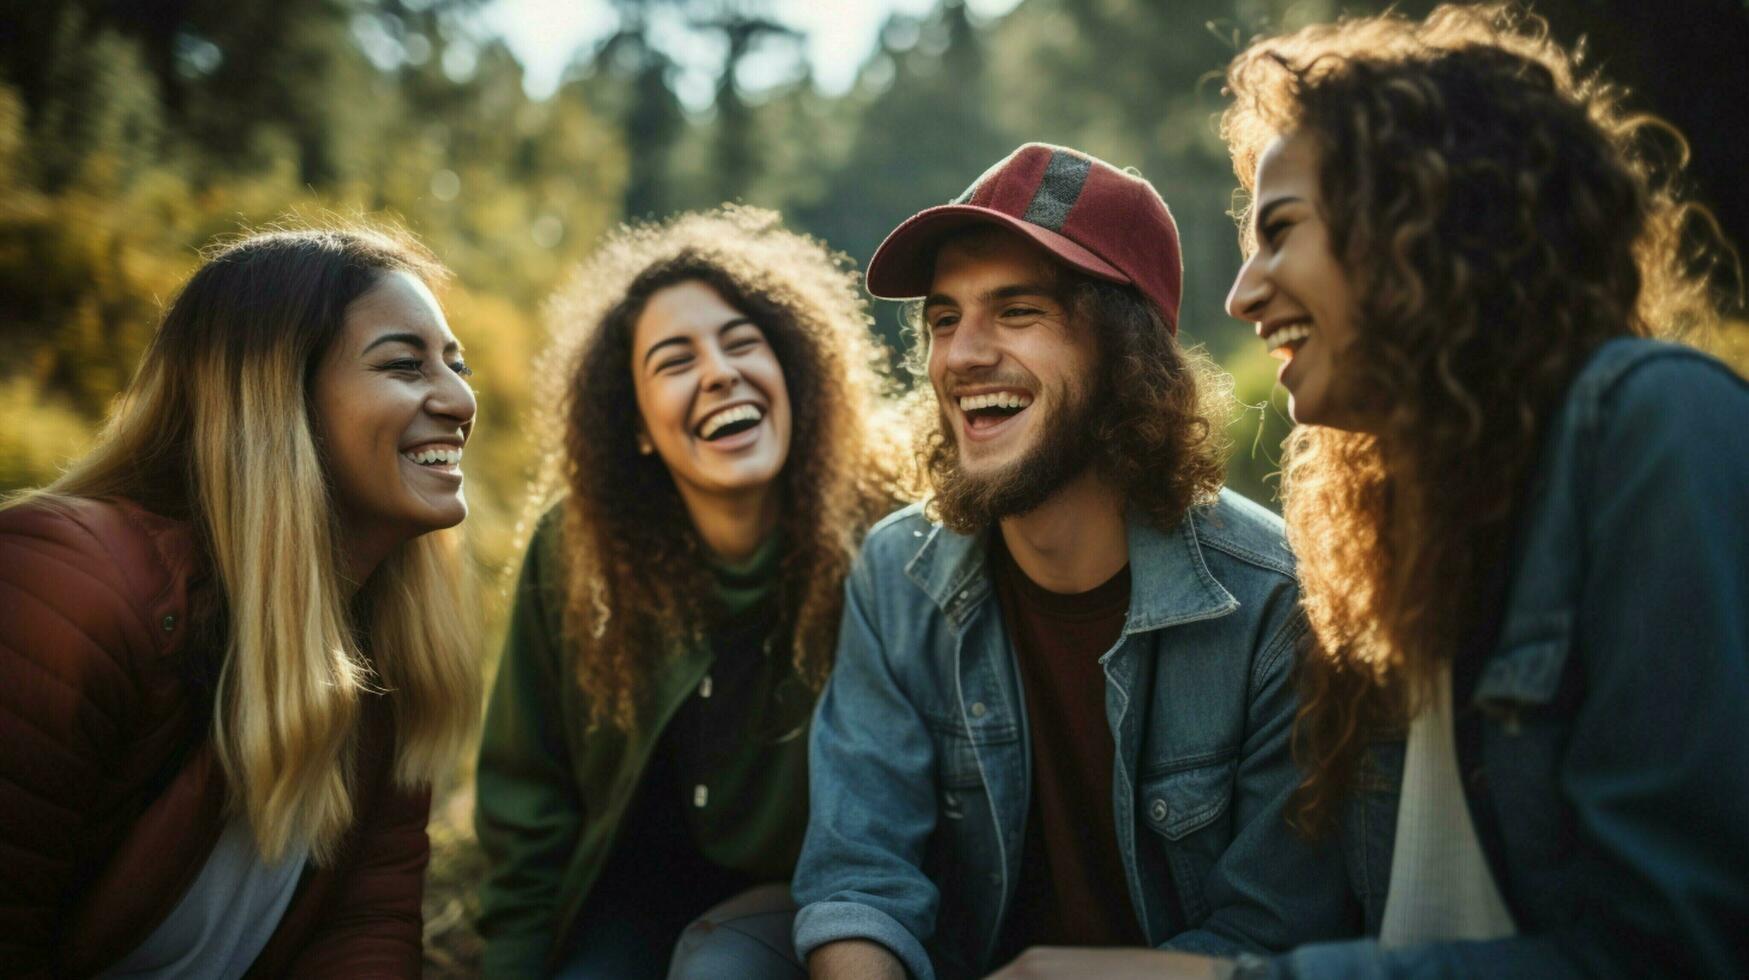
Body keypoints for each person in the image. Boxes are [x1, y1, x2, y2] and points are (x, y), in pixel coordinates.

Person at [1042, 5, 1748, 978]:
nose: (1242, 294)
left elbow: (1680, 949)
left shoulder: (1654, 430)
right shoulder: (1390, 549)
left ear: (1429, 222)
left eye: (1280, 230)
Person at [792, 144, 1371, 980]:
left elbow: (1269, 934)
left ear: (1125, 352)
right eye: (943, 319)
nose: (960, 356)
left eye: (1016, 312)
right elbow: (860, 876)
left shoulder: (1274, 603)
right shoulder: (896, 575)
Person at [0, 225, 482, 978]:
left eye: (457, 365)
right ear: (275, 400)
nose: (460, 399)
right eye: (403, 365)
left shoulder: (383, 660)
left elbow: (365, 928)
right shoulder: (65, 589)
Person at [473, 206, 905, 979]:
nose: (717, 372)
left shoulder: (893, 529)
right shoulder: (576, 552)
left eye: (743, 344)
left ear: (795, 372)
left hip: (829, 903)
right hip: (632, 903)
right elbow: (527, 799)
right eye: (673, 361)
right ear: (634, 424)